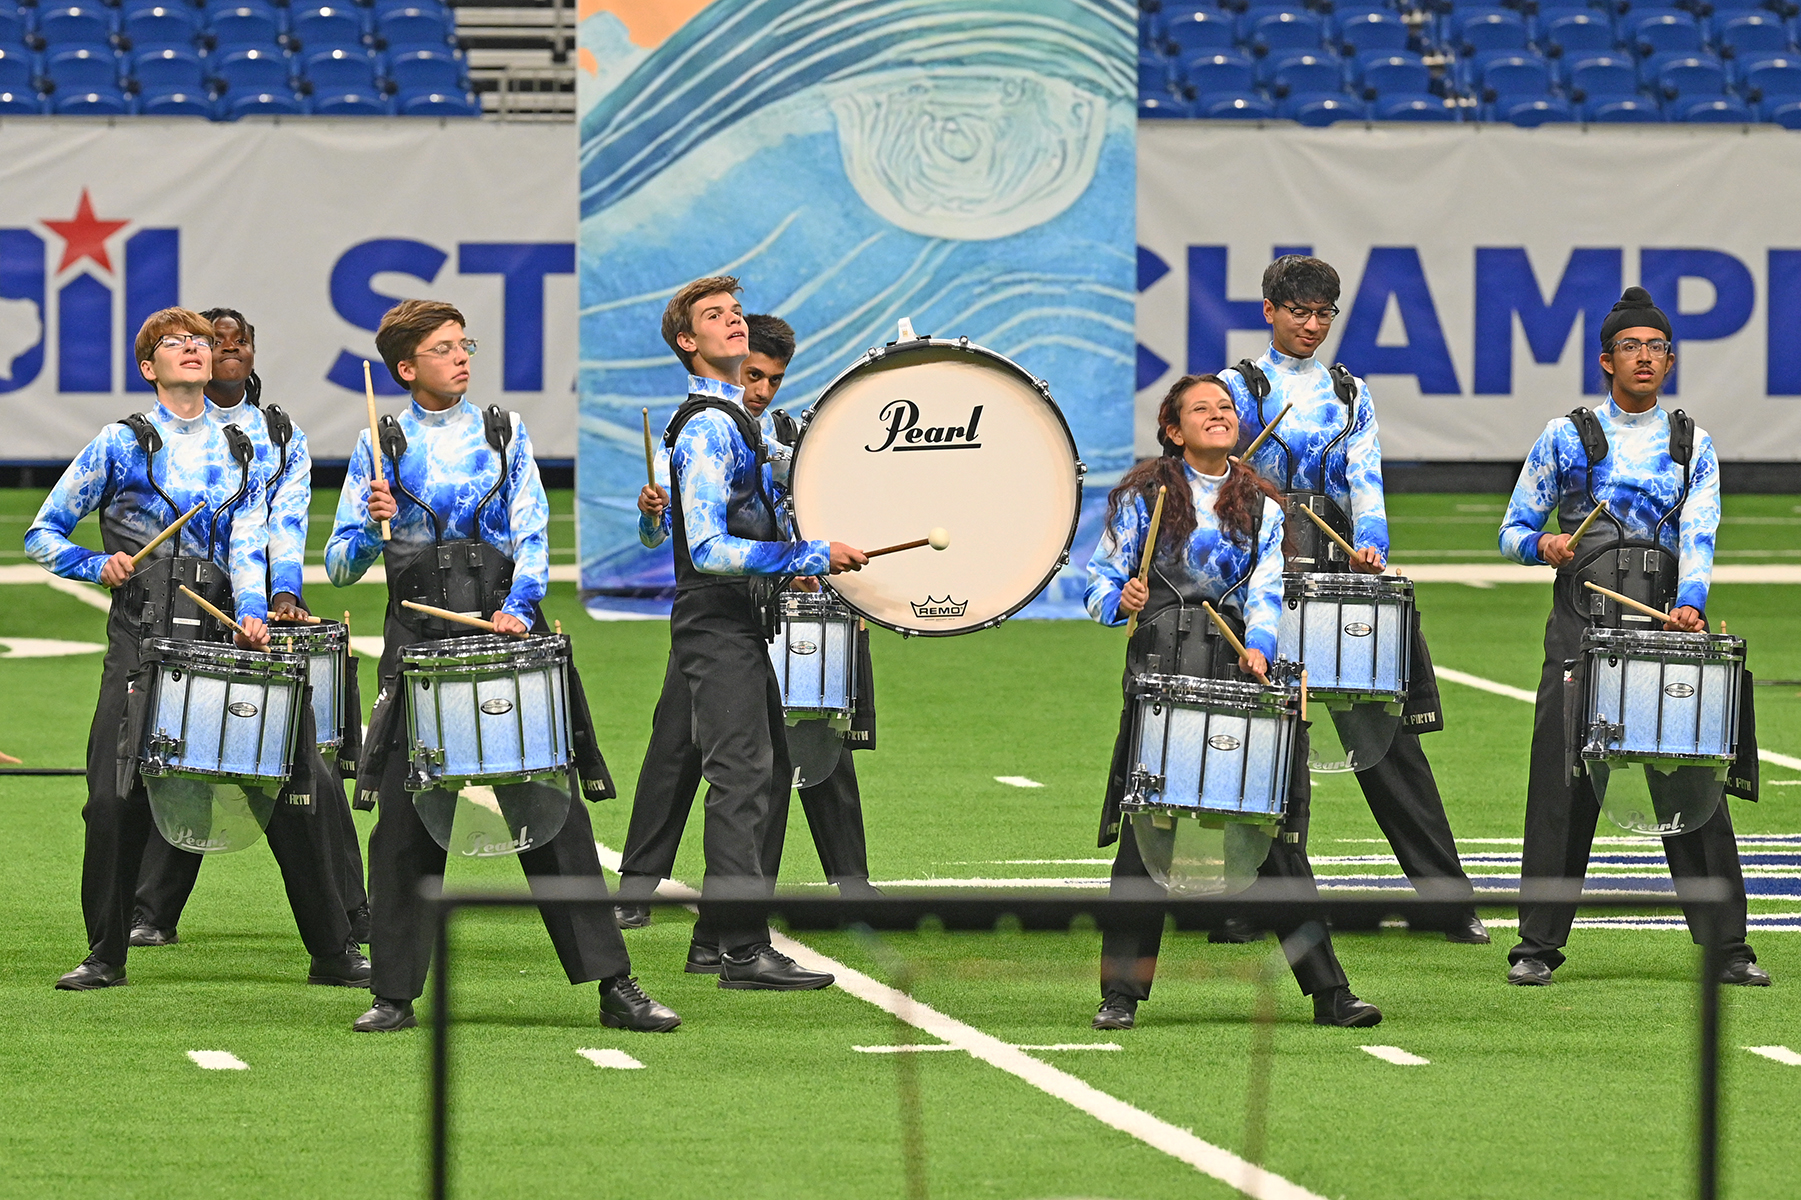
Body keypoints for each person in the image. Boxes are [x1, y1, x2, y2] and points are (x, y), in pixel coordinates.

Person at [325, 298, 680, 1032]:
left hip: (507, 628)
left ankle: (615, 985)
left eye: (465, 345)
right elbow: (337, 565)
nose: (462, 358)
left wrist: (519, 605)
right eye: (445, 348)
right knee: (406, 819)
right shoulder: (378, 444)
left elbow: (534, 531)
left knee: (546, 809)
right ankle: (393, 992)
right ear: (406, 368)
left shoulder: (502, 429)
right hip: (420, 642)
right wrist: (368, 520)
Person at [28, 308, 365, 992]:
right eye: (175, 343)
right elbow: (43, 533)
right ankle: (105, 953)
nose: (195, 349)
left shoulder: (240, 449)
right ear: (149, 367)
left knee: (295, 784)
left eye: (200, 342)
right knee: (112, 800)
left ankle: (333, 952)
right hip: (142, 638)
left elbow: (248, 544)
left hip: (220, 636)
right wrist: (97, 566)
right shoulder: (119, 443)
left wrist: (250, 612)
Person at [1085, 373, 1381, 1031]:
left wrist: (1260, 645)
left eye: (1224, 408)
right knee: (1147, 832)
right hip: (1160, 669)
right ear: (1172, 428)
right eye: (1200, 409)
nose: (1216, 415)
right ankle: (1120, 995)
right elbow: (1102, 581)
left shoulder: (1262, 505)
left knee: (1269, 832)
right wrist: (1119, 602)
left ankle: (1329, 993)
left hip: (1236, 670)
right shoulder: (1143, 497)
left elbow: (1267, 593)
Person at [1498, 286, 1768, 988]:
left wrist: (1689, 602)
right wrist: (1544, 547)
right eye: (1629, 347)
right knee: (1563, 781)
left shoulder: (1691, 444)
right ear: (1604, 360)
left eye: (1654, 348)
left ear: (1669, 361)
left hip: (1661, 625)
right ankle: (1535, 944)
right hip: (1580, 629)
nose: (1643, 358)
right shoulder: (1566, 435)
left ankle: (1727, 943)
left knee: (1689, 775)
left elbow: (1699, 533)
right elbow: (1511, 532)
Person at [1221, 255, 1486, 945]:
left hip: (1337, 573)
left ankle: (1447, 903)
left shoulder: (1348, 390)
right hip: (1260, 579)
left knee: (1389, 743)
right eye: (1298, 313)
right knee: (1257, 739)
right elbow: (1213, 476)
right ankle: (1250, 904)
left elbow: (1363, 476)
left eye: (1322, 315)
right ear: (1268, 312)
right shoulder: (1234, 387)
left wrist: (1370, 540)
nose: (1311, 326)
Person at [623, 276, 864, 989]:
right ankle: (740, 951)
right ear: (687, 343)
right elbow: (706, 550)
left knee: (758, 777)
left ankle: (713, 941)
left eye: (735, 312)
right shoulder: (705, 428)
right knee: (740, 781)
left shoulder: (741, 423)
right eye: (714, 317)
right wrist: (808, 555)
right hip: (715, 620)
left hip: (741, 622)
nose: (732, 323)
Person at [129, 308, 371, 950]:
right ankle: (151, 910)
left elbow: (286, 520)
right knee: (185, 753)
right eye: (217, 341)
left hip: (259, 614)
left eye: (241, 341)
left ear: (254, 353)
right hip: (189, 606)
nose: (229, 349)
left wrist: (283, 594)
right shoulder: (166, 430)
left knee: (305, 768)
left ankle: (352, 910)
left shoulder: (279, 430)